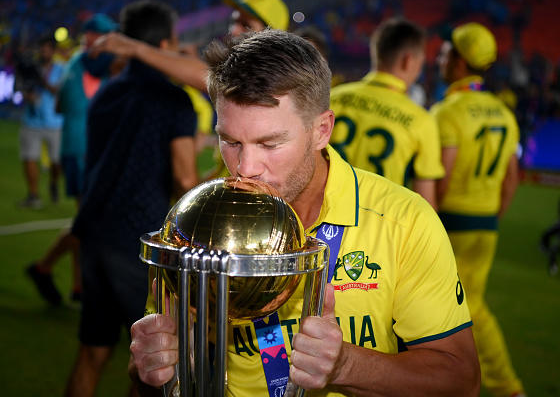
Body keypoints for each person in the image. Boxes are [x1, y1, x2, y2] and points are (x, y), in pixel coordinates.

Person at [128, 29, 480, 397]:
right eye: (230, 141)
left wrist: (346, 364)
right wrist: (150, 366)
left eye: (270, 143)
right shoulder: (200, 221)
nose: (246, 168)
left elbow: (461, 379)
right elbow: (155, 371)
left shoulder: (403, 221)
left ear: (321, 130)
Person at [64, 0, 199, 397]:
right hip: (139, 244)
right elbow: (184, 176)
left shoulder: (108, 92)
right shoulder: (174, 98)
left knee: (92, 351)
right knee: (152, 368)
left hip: (94, 232)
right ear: (166, 42)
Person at [430, 22, 526, 397]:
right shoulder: (505, 114)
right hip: (485, 224)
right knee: (465, 305)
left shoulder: (447, 111)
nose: (439, 58)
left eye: (445, 52)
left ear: (459, 61)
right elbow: (512, 179)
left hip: (451, 222)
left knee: (467, 309)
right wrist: (492, 219)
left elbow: (443, 176)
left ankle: (506, 386)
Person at [26, 13, 119, 307]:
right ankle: (44, 267)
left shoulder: (72, 65)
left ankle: (78, 286)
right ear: (91, 37)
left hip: (73, 146)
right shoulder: (94, 64)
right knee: (87, 220)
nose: (112, 43)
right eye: (106, 36)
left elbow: (59, 104)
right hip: (85, 149)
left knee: (84, 217)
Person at [329, 18, 444, 210]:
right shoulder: (421, 121)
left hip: (326, 216)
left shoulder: (333, 98)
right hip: (380, 225)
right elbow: (425, 203)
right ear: (408, 60)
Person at [88, 0, 289, 91]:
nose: (233, 31)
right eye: (234, 21)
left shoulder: (278, 78)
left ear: (272, 38)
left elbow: (212, 79)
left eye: (246, 26)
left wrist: (135, 48)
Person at [15, 35, 63, 209]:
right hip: (31, 120)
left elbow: (59, 91)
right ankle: (33, 195)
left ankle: (53, 183)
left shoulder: (61, 69)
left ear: (53, 51)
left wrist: (40, 79)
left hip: (54, 121)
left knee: (57, 162)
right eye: (42, 48)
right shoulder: (29, 66)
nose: (44, 51)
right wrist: (27, 95)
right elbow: (19, 87)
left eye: (48, 48)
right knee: (29, 158)